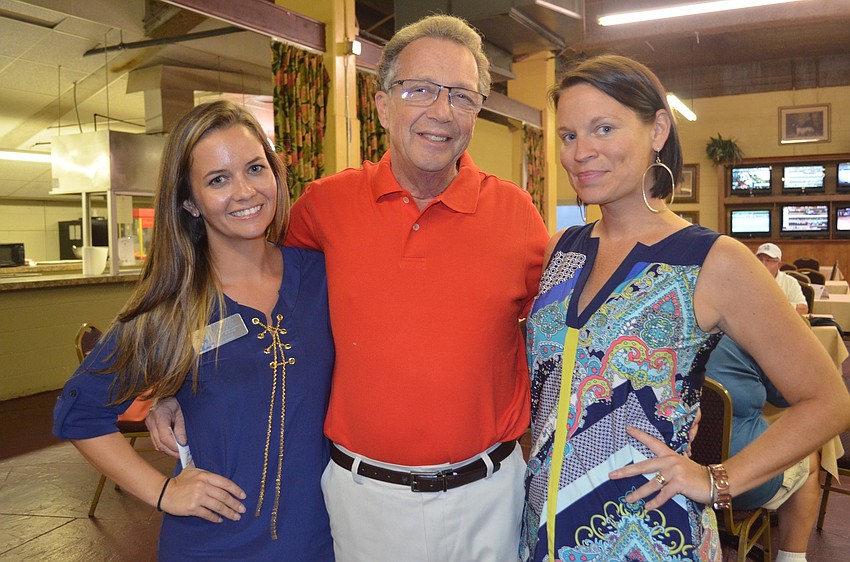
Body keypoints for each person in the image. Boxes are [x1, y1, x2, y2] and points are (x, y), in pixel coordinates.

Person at [148, 14, 550, 562]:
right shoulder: (324, 207)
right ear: (382, 104)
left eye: (461, 95)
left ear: (478, 109)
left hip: (490, 493)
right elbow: (239, 281)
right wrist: (171, 383)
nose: (441, 111)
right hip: (365, 499)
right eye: (420, 90)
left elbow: (563, 334)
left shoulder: (516, 214)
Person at [521, 54, 850, 562]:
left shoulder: (712, 260)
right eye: (567, 136)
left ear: (657, 130)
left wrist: (718, 480)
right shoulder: (561, 249)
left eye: (603, 129)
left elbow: (827, 399)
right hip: (541, 526)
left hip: (647, 533)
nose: (581, 152)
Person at [52, 100, 335, 560]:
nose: (244, 191)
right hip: (215, 544)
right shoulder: (174, 307)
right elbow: (79, 412)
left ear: (276, 175)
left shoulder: (324, 277)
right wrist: (164, 492)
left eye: (255, 168)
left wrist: (168, 395)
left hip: (324, 539)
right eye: (218, 180)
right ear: (190, 201)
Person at [707, 335, 820, 562]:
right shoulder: (743, 332)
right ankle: (792, 558)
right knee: (808, 452)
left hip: (667, 476)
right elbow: (787, 395)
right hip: (736, 483)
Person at [756, 242, 808, 314]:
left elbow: (803, 309)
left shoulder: (790, 282)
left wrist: (778, 306)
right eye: (760, 259)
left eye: (768, 260)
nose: (763, 264)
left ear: (779, 265)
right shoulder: (747, 280)